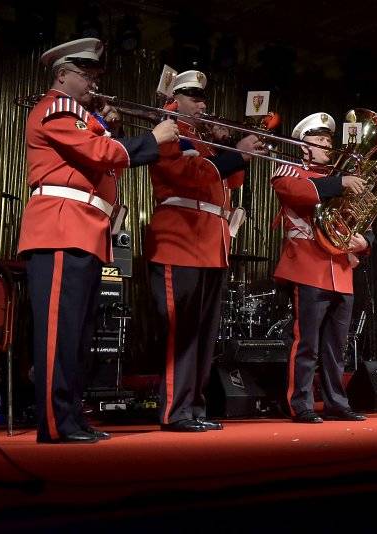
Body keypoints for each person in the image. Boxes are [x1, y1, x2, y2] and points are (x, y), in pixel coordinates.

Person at [18, 38, 178, 443]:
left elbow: (102, 160)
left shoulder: (82, 117)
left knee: (79, 335)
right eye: (86, 74)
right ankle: (55, 424)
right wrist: (153, 139)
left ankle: (72, 417)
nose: (93, 82)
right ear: (62, 75)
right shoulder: (57, 109)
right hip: (59, 228)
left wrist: (111, 127)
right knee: (60, 333)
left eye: (95, 75)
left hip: (85, 231)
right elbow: (100, 154)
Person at [145, 69, 264, 432]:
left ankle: (194, 405)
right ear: (174, 100)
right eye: (193, 96)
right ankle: (174, 411)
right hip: (179, 239)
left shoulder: (203, 139)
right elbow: (189, 176)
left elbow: (232, 181)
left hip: (212, 242)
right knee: (181, 331)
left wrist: (229, 147)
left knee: (203, 332)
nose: (202, 102)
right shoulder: (170, 132)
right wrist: (233, 154)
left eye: (202, 97)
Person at [271, 112, 370, 423]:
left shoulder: (342, 177)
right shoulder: (291, 168)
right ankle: (300, 403)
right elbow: (293, 191)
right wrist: (338, 183)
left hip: (341, 270)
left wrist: (363, 243)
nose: (328, 143)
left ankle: (336, 402)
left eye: (329, 138)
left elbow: (365, 216)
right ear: (304, 145)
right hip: (307, 265)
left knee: (336, 347)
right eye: (320, 139)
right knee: (307, 343)